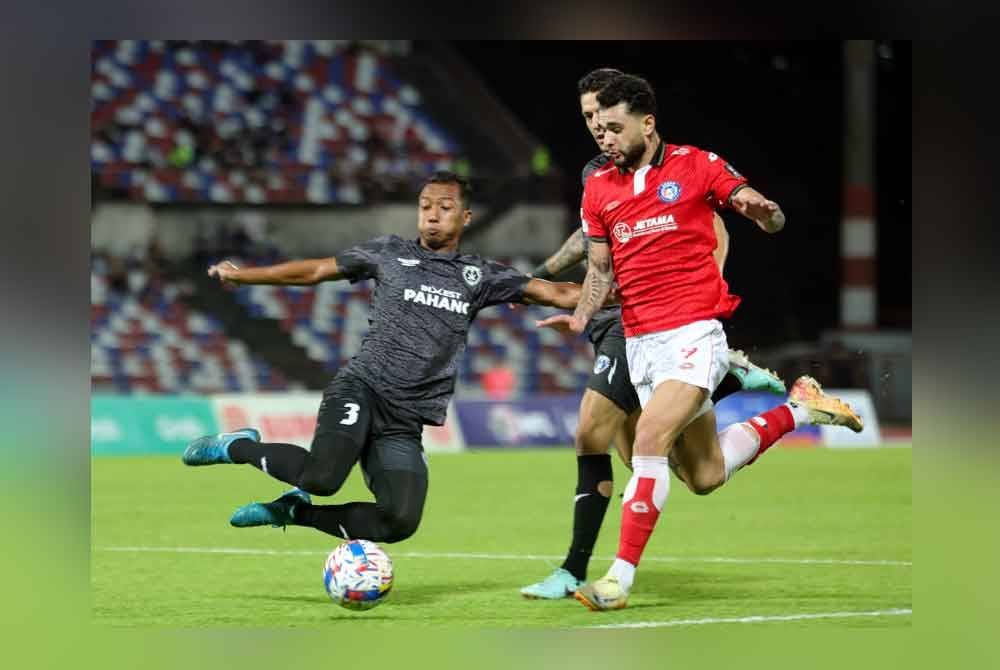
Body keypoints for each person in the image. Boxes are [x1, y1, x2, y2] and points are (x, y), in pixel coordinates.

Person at [536, 74, 863, 611]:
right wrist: (580, 316)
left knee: (648, 440)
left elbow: (754, 205)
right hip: (640, 343)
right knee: (704, 475)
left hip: (693, 334)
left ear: (647, 123)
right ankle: (801, 409)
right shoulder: (599, 189)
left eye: (614, 127)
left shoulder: (696, 164)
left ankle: (617, 580)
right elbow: (599, 270)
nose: (603, 136)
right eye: (597, 126)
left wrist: (762, 210)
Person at [182, 171, 596, 545]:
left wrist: (627, 288)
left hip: (405, 418)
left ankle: (294, 512)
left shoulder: (480, 275)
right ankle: (238, 446)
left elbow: (558, 293)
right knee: (322, 478)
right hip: (363, 388)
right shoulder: (388, 253)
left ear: (465, 217)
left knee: (399, 520)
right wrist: (243, 276)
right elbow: (315, 271)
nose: (432, 215)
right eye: (425, 206)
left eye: (445, 207)